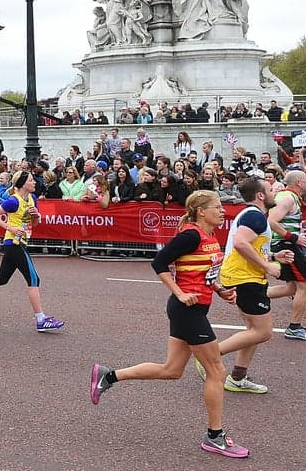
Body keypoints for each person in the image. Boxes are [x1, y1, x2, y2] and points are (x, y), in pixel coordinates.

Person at [90, 191, 250, 458]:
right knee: (217, 371)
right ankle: (215, 436)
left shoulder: (209, 236)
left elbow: (203, 272)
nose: (223, 211)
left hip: (194, 308)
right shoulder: (190, 235)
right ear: (201, 211)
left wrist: (220, 289)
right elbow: (159, 262)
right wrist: (178, 292)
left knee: (172, 370)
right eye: (217, 207)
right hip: (187, 311)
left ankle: (109, 375)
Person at [192, 178, 292, 395]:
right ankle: (210, 356)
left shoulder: (252, 215)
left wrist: (273, 255)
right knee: (263, 332)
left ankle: (238, 377)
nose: (275, 192)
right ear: (261, 195)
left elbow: (249, 245)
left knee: (253, 331)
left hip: (243, 276)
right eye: (270, 189)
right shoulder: (255, 216)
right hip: (245, 279)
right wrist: (267, 265)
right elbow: (240, 243)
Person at [0, 170, 65, 333]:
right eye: (31, 180)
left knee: (1, 278)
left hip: (21, 242)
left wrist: (36, 216)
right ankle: (41, 319)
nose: (35, 182)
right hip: (13, 243)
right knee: (34, 279)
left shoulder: (33, 198)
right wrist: (11, 228)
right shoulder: (13, 201)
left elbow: (35, 224)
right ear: (23, 184)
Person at [266, 170, 306, 341]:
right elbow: (271, 221)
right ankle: (294, 328)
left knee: (292, 288)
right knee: (305, 284)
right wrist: (294, 237)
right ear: (298, 183)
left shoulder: (290, 197)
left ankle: (251, 295)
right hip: (286, 245)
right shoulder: (287, 198)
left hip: (286, 243)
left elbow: (281, 220)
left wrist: (300, 225)